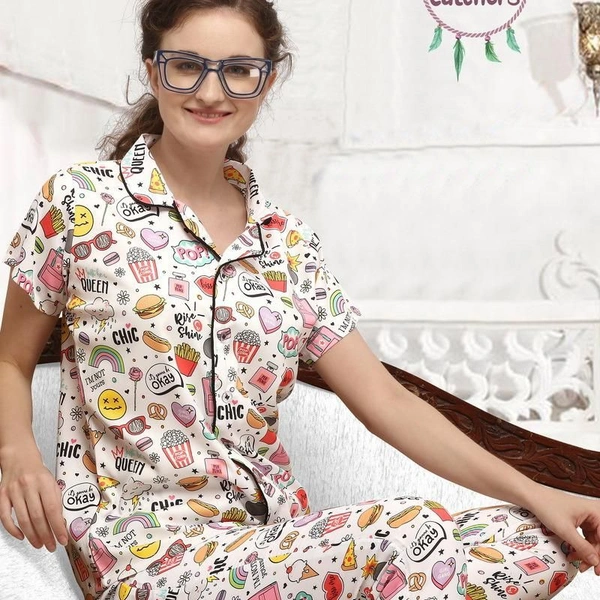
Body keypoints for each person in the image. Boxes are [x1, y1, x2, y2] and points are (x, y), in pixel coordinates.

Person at [0, 1, 598, 599]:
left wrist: (538, 492)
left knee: (535, 542)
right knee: (408, 534)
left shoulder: (289, 245)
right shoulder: (79, 203)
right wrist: (19, 453)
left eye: (238, 70)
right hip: (146, 552)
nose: (210, 92)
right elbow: (10, 359)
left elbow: (387, 400)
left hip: (276, 544)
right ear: (154, 71)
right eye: (187, 66)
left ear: (267, 82)